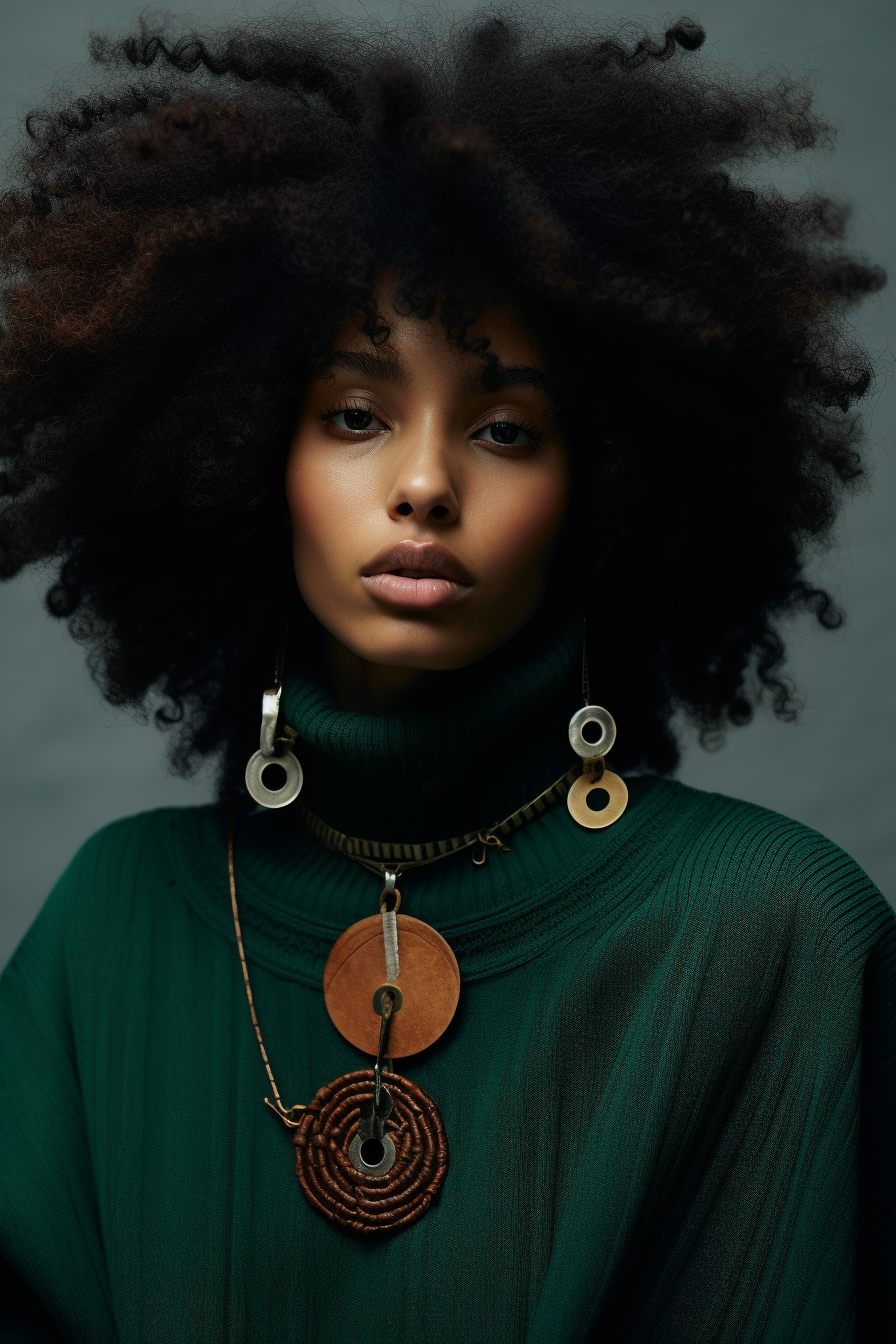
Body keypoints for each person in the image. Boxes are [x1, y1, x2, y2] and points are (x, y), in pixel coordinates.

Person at [0, 10, 892, 1342]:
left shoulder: (782, 937)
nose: (424, 484)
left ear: (607, 491)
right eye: (355, 416)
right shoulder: (112, 929)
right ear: (241, 463)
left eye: (503, 427)